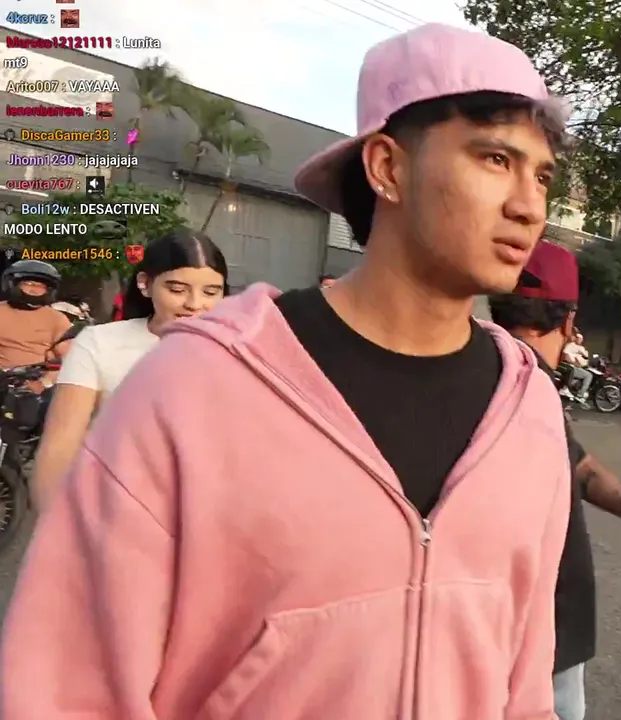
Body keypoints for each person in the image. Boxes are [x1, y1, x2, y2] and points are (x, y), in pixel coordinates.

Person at [1, 23, 572, 718]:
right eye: (495, 159)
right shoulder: (195, 388)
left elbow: (525, 675)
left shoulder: (530, 409)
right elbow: (68, 685)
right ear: (388, 167)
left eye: (542, 175)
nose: (529, 205)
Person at [489, 241, 621, 720]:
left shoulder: (484, 370)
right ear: (567, 321)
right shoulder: (527, 385)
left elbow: (574, 463)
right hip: (538, 624)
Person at [30, 229, 229, 514]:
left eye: (211, 292)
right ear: (145, 284)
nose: (195, 304)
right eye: (177, 289)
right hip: (112, 512)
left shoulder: (239, 351)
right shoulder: (99, 343)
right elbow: (60, 447)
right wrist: (55, 526)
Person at [0, 259, 73, 391]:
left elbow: (70, 358)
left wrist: (44, 383)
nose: (34, 290)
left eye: (40, 286)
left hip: (37, 385)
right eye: (29, 284)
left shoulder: (56, 318)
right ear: (13, 284)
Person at [562, 328, 592, 403]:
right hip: (571, 367)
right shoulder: (570, 345)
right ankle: (580, 395)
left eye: (581, 339)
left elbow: (584, 357)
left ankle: (577, 390)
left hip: (577, 366)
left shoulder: (579, 348)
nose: (580, 340)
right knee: (589, 375)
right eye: (579, 339)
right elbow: (566, 356)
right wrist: (574, 363)